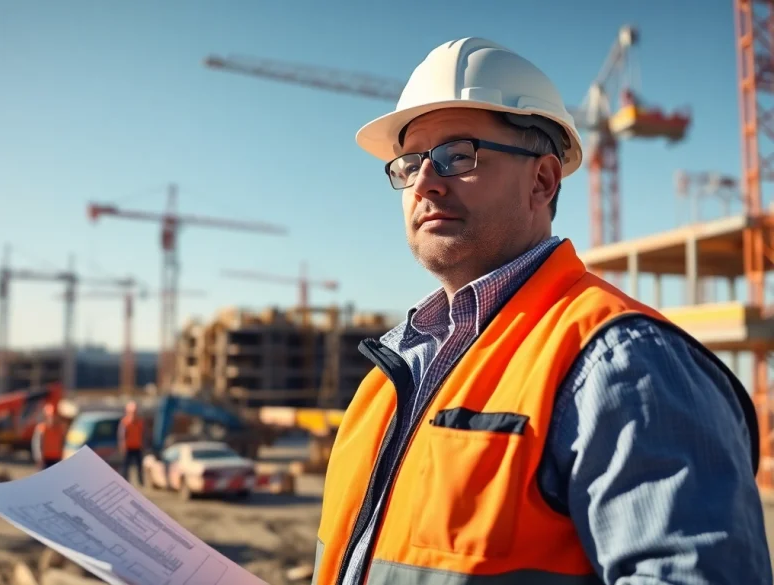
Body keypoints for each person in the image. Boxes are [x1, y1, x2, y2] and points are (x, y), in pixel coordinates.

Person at [311, 37, 770, 585]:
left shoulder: (622, 363)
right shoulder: (389, 378)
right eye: (409, 164)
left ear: (543, 180)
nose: (426, 183)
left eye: (457, 155)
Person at [117, 401, 144, 486]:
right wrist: (122, 446)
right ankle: (125, 481)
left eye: (135, 412)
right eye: (132, 412)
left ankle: (141, 482)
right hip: (128, 447)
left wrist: (144, 444)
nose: (134, 414)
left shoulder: (140, 422)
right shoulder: (125, 422)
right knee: (126, 466)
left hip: (137, 446)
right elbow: (122, 436)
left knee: (139, 466)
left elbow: (143, 434)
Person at [32, 402, 66, 469]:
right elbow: (37, 444)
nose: (53, 419)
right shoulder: (41, 428)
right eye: (51, 416)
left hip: (57, 458)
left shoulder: (60, 429)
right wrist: (39, 458)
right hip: (45, 459)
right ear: (47, 417)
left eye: (54, 416)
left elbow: (63, 443)